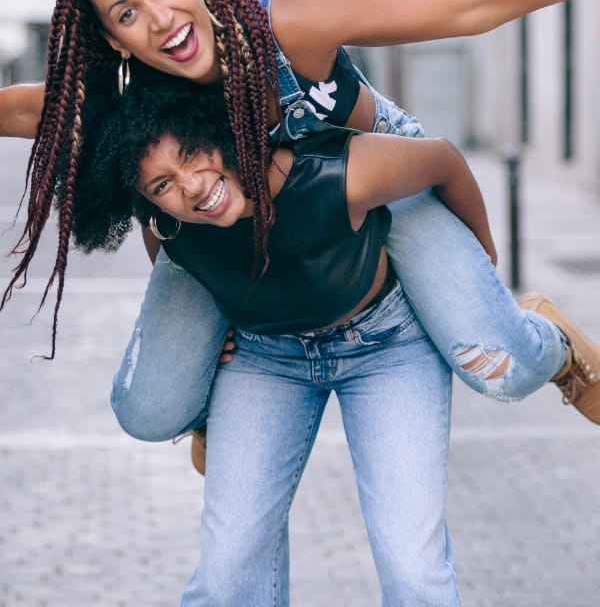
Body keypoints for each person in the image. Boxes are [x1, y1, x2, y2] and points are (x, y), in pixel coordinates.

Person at [1, 0, 600, 442]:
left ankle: (556, 344)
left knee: (500, 369)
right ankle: (213, 404)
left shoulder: (288, 26)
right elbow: (16, 109)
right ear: (113, 38)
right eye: (128, 13)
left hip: (378, 178)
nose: (159, 20)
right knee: (153, 409)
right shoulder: (120, 94)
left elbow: (463, 6)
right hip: (242, 222)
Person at [73, 72, 593, 606]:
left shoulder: (335, 174)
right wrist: (203, 353)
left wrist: (480, 276)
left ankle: (549, 339)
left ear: (219, 132)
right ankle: (210, 421)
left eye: (192, 155)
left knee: (415, 577)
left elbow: (442, 160)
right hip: (264, 358)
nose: (191, 186)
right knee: (225, 583)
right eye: (161, 185)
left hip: (388, 347)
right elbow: (176, 263)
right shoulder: (171, 226)